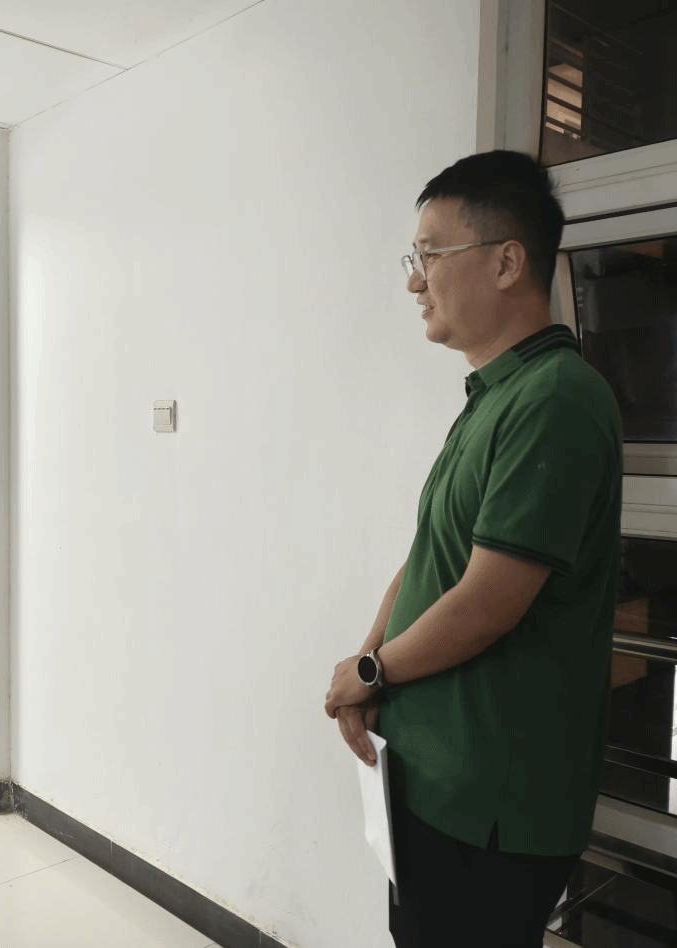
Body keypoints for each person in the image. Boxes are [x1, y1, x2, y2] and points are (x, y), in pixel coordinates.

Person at [324, 150, 623, 948]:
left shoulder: (557, 398)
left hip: (492, 803)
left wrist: (374, 672)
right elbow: (431, 555)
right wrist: (368, 664)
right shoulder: (495, 395)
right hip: (432, 778)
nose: (415, 281)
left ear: (506, 262)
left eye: (430, 255)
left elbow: (488, 601)